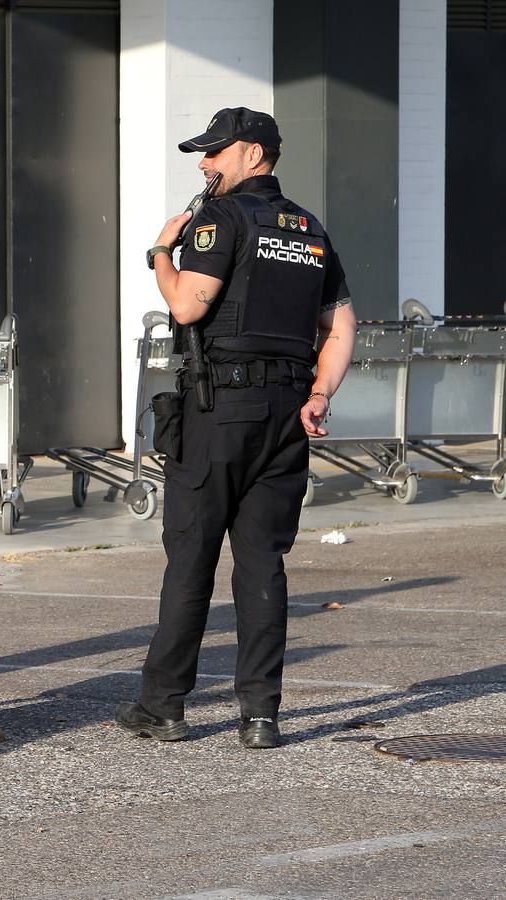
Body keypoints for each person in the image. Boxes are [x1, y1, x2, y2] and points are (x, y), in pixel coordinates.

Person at [115, 109, 357, 749]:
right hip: (286, 415)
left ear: (253, 154)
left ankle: (163, 707)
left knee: (191, 559)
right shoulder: (309, 229)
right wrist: (319, 395)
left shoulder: (219, 219)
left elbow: (187, 303)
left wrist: (162, 253)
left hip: (220, 409)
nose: (203, 164)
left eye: (214, 152)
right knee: (262, 564)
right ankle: (260, 717)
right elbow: (340, 325)